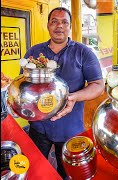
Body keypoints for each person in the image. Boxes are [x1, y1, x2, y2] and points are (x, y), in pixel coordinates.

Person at [22, 7, 104, 178]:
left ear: (70, 27)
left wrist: (74, 97)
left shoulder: (84, 52)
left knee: (67, 173)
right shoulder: (34, 53)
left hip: (70, 128)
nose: (59, 26)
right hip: (39, 126)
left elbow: (98, 85)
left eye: (64, 22)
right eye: (54, 21)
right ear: (48, 25)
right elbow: (24, 84)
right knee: (36, 169)